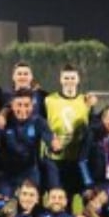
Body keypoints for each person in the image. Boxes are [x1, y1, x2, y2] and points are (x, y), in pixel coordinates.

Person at [0, 91, 60, 198]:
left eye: (26, 105)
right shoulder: (3, 122)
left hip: (30, 171)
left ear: (32, 106)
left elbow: (49, 137)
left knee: (30, 205)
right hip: (7, 173)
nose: (23, 109)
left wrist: (54, 145)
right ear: (12, 106)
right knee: (4, 207)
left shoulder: (38, 121)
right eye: (19, 105)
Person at [42, 64, 92, 204]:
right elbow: (41, 124)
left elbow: (90, 127)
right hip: (55, 158)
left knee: (72, 199)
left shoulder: (85, 101)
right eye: (66, 78)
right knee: (56, 198)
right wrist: (50, 140)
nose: (69, 80)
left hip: (77, 159)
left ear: (78, 80)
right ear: (61, 80)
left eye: (72, 78)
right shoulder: (49, 100)